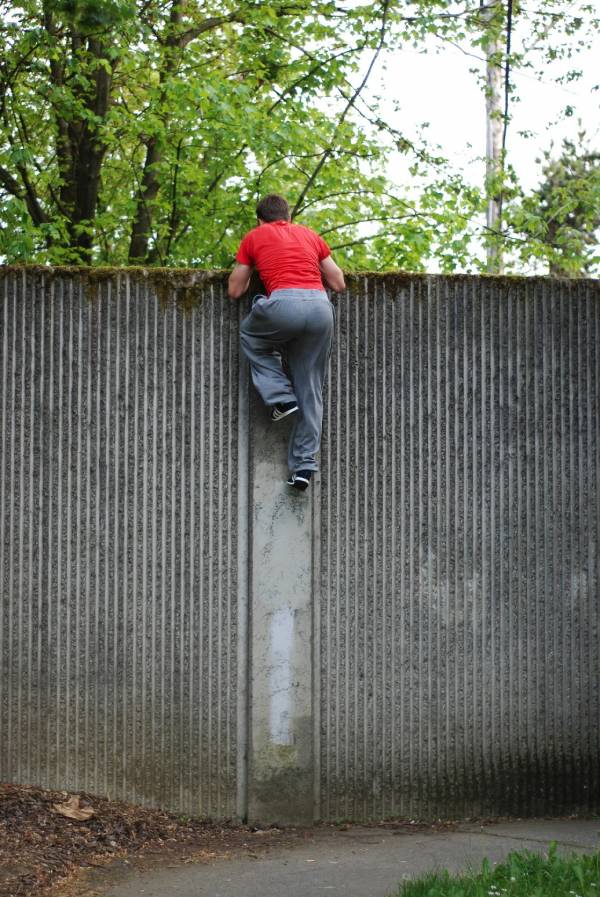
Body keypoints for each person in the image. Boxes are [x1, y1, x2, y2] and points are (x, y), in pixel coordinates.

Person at [228, 194, 345, 491]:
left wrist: (256, 266)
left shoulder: (254, 237)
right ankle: (304, 466)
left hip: (282, 306)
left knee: (251, 335)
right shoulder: (310, 235)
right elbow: (337, 282)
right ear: (288, 217)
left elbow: (235, 290)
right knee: (311, 386)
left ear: (259, 219)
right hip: (320, 309)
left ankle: (280, 396)